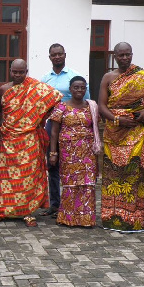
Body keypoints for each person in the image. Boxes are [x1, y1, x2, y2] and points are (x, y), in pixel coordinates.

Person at [98, 42, 144, 233]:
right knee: (113, 176)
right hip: (115, 134)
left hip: (138, 133)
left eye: (127, 55)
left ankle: (136, 218)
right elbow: (102, 106)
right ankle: (112, 217)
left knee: (135, 175)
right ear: (114, 56)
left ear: (131, 54)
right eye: (120, 55)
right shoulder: (108, 77)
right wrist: (118, 120)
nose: (124, 58)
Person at [0, 59, 62, 227]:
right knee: (7, 177)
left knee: (28, 176)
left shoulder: (34, 87)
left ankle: (28, 212)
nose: (18, 75)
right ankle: (3, 210)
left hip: (29, 139)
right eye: (15, 72)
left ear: (26, 71)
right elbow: (0, 111)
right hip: (9, 139)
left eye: (21, 72)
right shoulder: (4, 89)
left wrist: (39, 120)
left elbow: (55, 98)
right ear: (10, 71)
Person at [40, 43, 90, 218]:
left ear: (65, 55)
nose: (57, 57)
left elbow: (87, 103)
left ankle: (72, 203)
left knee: (73, 166)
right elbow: (41, 103)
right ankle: (55, 204)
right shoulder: (45, 79)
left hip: (73, 127)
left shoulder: (75, 76)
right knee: (52, 164)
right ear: (49, 57)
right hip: (52, 125)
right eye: (54, 54)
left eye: (60, 54)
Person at [48, 76, 101, 227]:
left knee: (87, 184)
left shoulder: (92, 106)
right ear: (70, 89)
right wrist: (53, 153)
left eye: (82, 87)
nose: (79, 90)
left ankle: (86, 219)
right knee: (70, 184)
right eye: (76, 87)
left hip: (88, 152)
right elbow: (53, 133)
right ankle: (68, 218)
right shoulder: (61, 107)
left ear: (86, 89)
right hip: (68, 152)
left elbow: (95, 127)